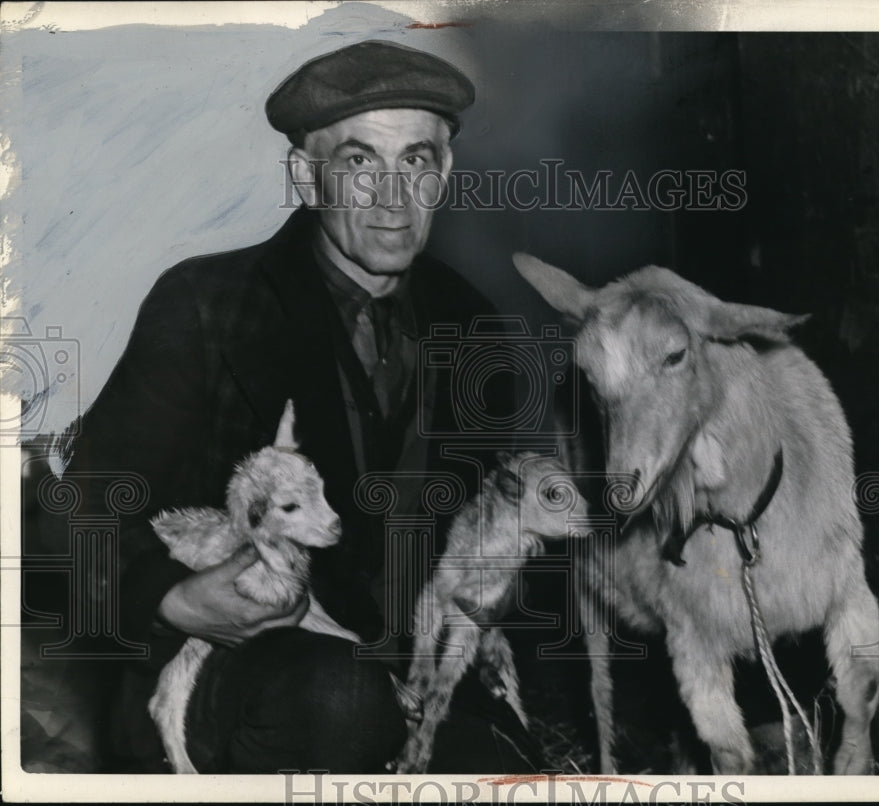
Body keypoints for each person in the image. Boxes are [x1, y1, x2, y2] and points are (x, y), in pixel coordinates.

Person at [71, 40, 543, 774]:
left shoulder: (478, 325)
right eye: (358, 162)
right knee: (342, 700)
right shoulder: (207, 304)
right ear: (306, 177)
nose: (393, 197)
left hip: (404, 669)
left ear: (444, 174)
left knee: (512, 771)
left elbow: (495, 540)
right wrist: (170, 601)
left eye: (415, 161)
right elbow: (85, 503)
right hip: (230, 675)